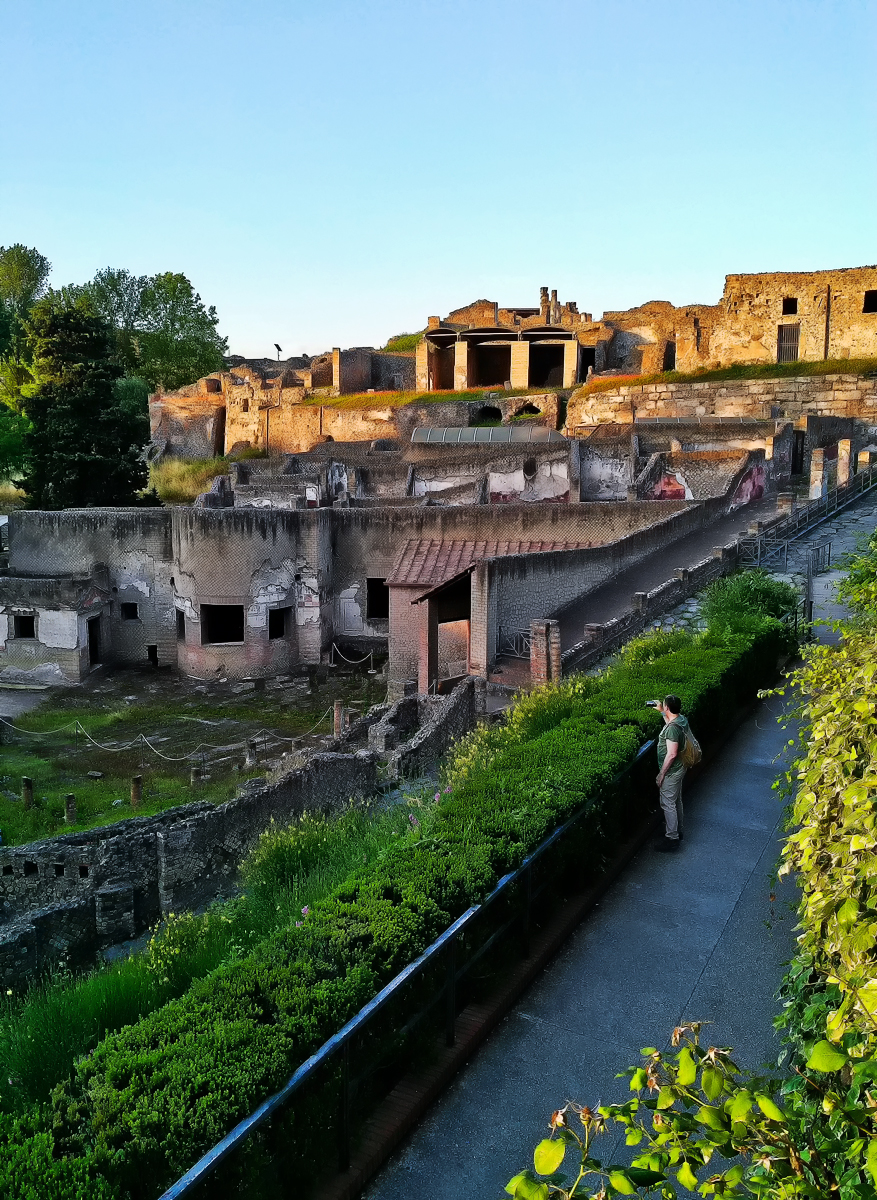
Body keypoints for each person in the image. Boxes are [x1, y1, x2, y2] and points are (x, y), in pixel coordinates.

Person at [654, 694, 689, 853]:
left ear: (668, 707)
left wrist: (662, 774)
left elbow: (672, 754)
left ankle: (672, 838)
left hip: (672, 771)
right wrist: (662, 712)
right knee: (676, 800)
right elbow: (671, 724)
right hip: (680, 767)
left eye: (664, 706)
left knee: (668, 803)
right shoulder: (681, 720)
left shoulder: (673, 729)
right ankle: (676, 829)